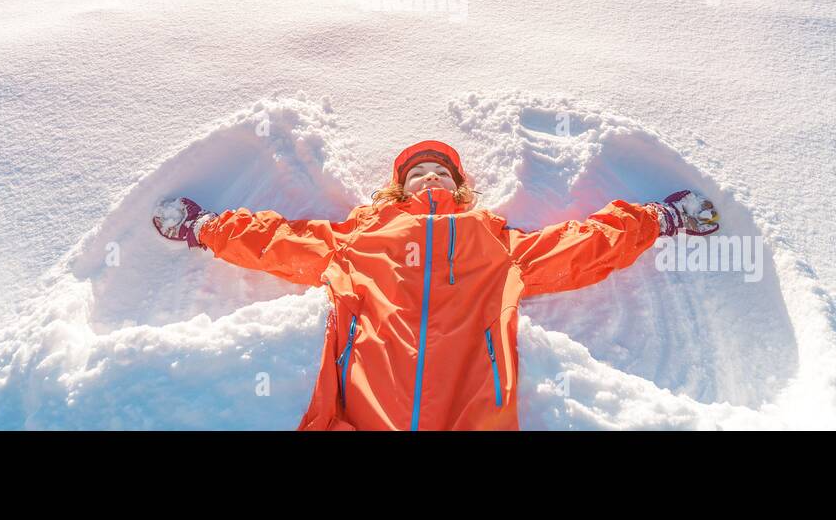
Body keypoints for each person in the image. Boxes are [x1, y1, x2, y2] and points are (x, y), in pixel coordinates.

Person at [151, 139, 719, 430]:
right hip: (364, 412)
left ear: (460, 186)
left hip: (474, 411)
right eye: (418, 171)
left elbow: (580, 246)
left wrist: (659, 219)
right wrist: (205, 228)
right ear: (399, 188)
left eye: (440, 171)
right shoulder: (360, 239)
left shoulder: (493, 242)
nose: (429, 176)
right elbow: (276, 242)